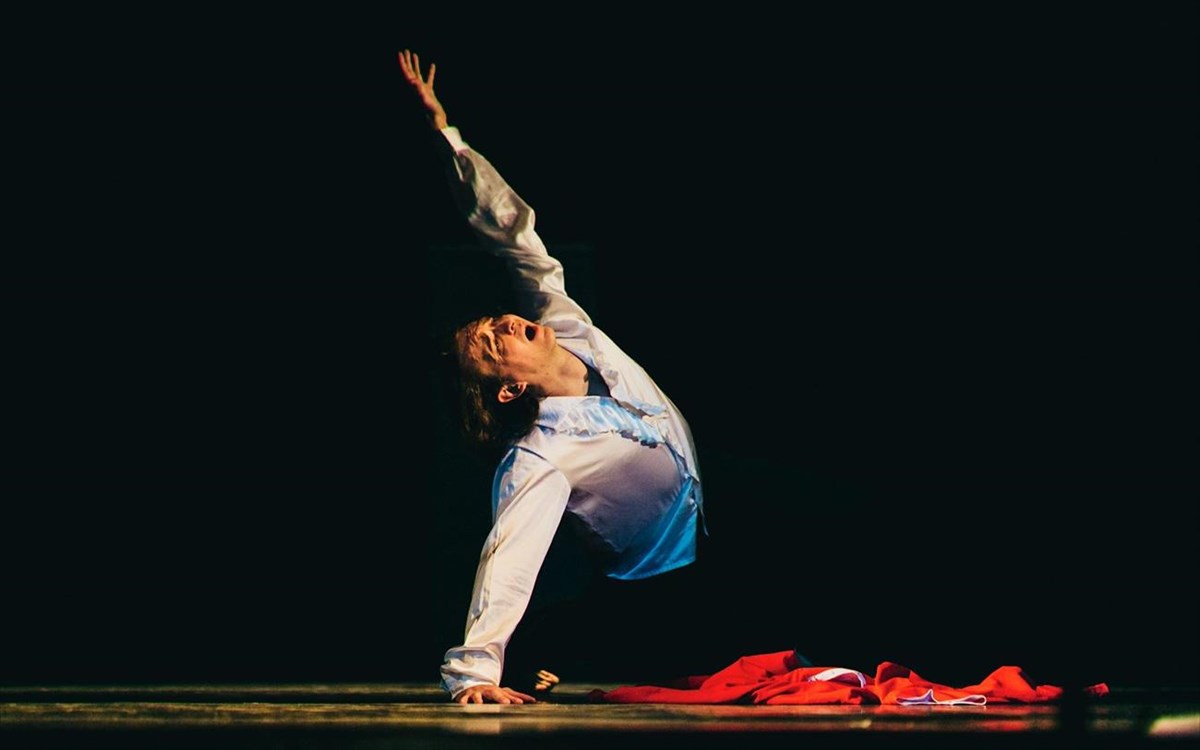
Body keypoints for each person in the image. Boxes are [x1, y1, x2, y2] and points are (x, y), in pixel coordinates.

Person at [399, 49, 709, 705]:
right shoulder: (539, 454)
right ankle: (526, 659)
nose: (508, 325)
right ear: (509, 388)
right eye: (493, 344)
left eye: (497, 322)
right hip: (655, 587)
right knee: (607, 649)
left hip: (714, 514)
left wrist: (447, 137)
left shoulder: (565, 322)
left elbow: (513, 234)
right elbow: (507, 554)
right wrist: (473, 674)